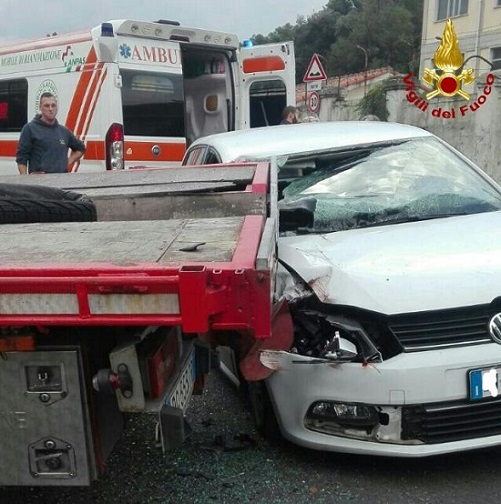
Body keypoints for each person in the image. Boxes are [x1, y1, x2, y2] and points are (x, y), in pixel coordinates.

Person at [16, 92, 86, 174]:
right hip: (38, 182)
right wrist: (25, 180)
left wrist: (66, 162)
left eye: (53, 105)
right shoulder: (29, 129)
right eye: (46, 106)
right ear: (40, 107)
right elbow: (21, 158)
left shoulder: (64, 131)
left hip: (61, 180)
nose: (50, 109)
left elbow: (81, 148)